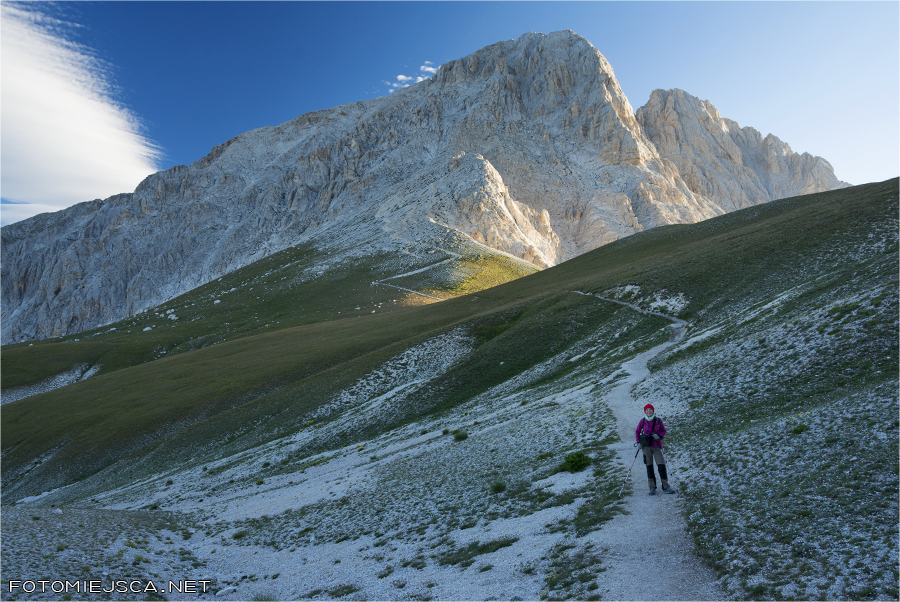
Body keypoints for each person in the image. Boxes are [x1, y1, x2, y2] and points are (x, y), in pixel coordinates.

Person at [635, 404, 676, 495]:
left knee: (661, 466)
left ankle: (666, 487)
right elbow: (637, 431)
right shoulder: (642, 421)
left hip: (657, 446)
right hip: (646, 447)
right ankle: (652, 487)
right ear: (645, 411)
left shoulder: (658, 420)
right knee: (649, 467)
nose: (649, 411)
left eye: (650, 409)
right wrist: (638, 442)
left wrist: (659, 436)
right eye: (647, 410)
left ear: (653, 411)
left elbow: (663, 431)